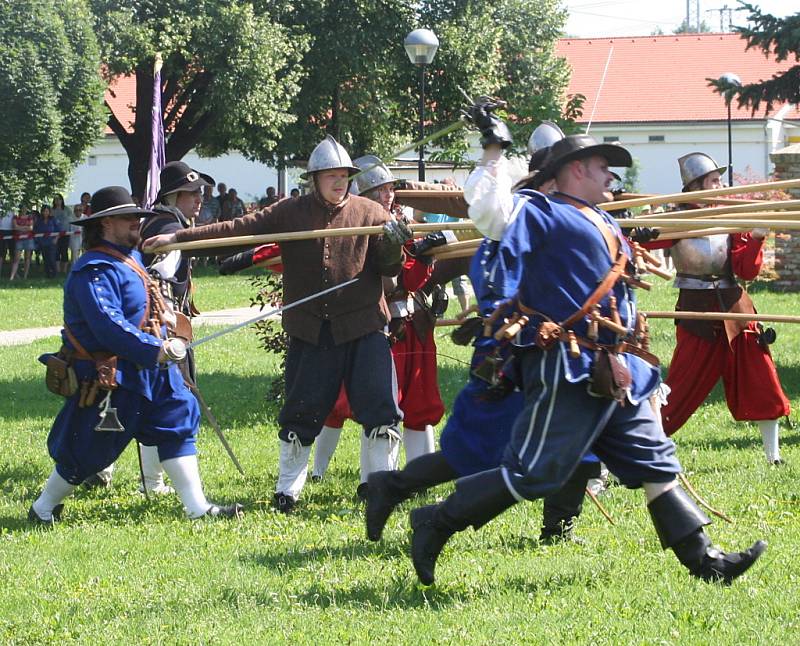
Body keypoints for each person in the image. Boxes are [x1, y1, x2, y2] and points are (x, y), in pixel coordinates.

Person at [405, 132, 766, 587]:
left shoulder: (602, 218)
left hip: (614, 367)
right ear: (575, 170)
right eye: (601, 166)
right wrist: (494, 154)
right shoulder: (539, 210)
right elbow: (492, 214)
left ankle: (706, 561)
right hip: (567, 366)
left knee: (654, 459)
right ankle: (435, 522)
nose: (611, 175)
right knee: (535, 474)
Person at [143, 135, 409, 513]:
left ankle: (379, 487)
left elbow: (390, 271)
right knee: (302, 410)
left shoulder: (371, 213)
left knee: (380, 410)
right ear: (314, 178)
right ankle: (288, 491)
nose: (339, 182)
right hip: (311, 329)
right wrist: (179, 239)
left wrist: (393, 245)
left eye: (344, 176)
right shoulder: (291, 212)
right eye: (331, 175)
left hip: (364, 325)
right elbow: (237, 230)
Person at [366, 118, 600, 545]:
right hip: (514, 353)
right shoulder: (522, 210)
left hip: (555, 353)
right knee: (474, 448)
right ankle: (395, 488)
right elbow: (489, 241)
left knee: (582, 443)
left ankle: (557, 530)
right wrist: (491, 154)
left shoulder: (569, 212)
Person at [28, 186, 242, 524]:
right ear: (106, 223)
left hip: (154, 370)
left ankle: (197, 508)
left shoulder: (133, 261)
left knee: (178, 422)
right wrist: (154, 350)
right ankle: (43, 508)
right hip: (112, 375)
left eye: (137, 217)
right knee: (88, 447)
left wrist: (168, 321)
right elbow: (108, 326)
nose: (137, 223)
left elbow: (147, 303)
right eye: (129, 218)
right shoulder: (92, 270)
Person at [312, 155, 446, 495]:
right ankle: (366, 481)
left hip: (410, 324)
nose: (388, 195)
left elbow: (413, 279)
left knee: (418, 404)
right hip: (377, 326)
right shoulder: (354, 228)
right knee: (374, 407)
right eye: (380, 190)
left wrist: (426, 254)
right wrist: (416, 259)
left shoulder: (398, 221)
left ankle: (419, 478)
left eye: (389, 189)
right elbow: (388, 277)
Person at [655, 152, 790, 464]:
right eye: (713, 181)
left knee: (761, 378)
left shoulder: (730, 216)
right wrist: (646, 232)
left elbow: (746, 270)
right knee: (680, 386)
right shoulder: (674, 218)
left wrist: (755, 238)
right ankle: (637, 449)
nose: (720, 186)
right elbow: (642, 241)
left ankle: (773, 457)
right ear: (695, 186)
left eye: (718, 180)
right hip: (696, 312)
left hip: (735, 309)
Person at [9, 206, 35, 281]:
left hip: (29, 239)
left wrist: (20, 227)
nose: (24, 209)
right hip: (19, 239)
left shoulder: (30, 217)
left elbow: (31, 228)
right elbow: (15, 227)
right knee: (16, 259)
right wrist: (25, 227)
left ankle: (25, 276)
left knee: (27, 258)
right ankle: (12, 277)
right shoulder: (16, 216)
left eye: (25, 208)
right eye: (22, 208)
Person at [34, 205, 59, 278]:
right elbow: (36, 231)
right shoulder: (39, 221)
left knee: (52, 258)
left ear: (49, 212)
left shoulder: (53, 220)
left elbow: (59, 230)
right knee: (46, 259)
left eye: (47, 211)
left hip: (52, 242)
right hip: (43, 243)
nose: (45, 213)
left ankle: (55, 274)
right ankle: (48, 274)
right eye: (44, 211)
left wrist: (56, 239)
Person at [52, 195, 72, 274]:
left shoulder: (67, 209)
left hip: (65, 233)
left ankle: (64, 270)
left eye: (59, 199)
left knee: (64, 251)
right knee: (56, 251)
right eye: (56, 200)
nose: (57, 201)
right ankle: (58, 270)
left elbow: (70, 220)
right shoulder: (52, 210)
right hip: (55, 234)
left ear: (62, 200)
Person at [0, 206, 14, 278]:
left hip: (11, 230)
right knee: (1, 253)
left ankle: (14, 273)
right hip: (1, 229)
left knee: (12, 253)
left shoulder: (14, 201)